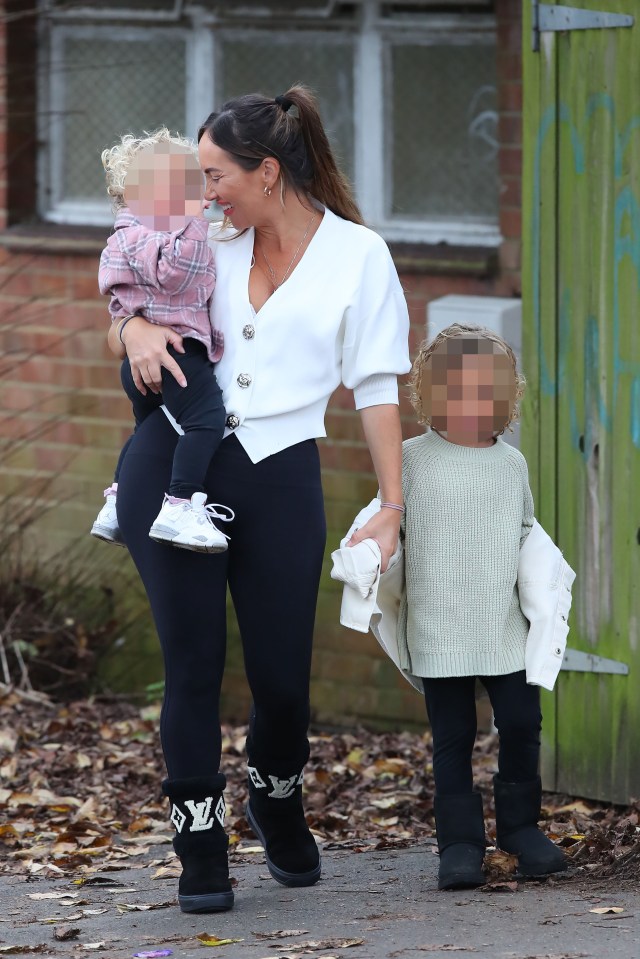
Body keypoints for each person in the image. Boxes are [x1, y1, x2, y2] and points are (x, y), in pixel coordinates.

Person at [106, 85, 411, 914]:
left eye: (214, 175)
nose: (202, 193)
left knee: (283, 684)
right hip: (173, 466)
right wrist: (130, 329)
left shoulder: (359, 256)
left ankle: (275, 795)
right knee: (192, 665)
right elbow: (127, 303)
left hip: (279, 476)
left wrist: (391, 503)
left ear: (267, 171)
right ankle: (198, 843)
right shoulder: (200, 237)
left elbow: (378, 383)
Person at [398, 323, 567, 891]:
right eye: (458, 390)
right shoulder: (411, 460)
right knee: (453, 733)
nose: (472, 403)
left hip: (502, 623)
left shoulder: (510, 465)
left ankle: (520, 829)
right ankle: (460, 842)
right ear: (432, 394)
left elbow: (524, 533)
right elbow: (387, 523)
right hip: (439, 623)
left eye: (484, 391)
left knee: (522, 721)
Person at [91, 129, 231, 554]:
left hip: (138, 365)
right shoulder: (160, 236)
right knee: (206, 422)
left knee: (145, 428)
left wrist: (129, 325)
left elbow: (114, 296)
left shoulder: (122, 237)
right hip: (177, 356)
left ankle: (116, 501)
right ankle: (181, 503)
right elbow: (176, 273)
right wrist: (193, 222)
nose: (202, 197)